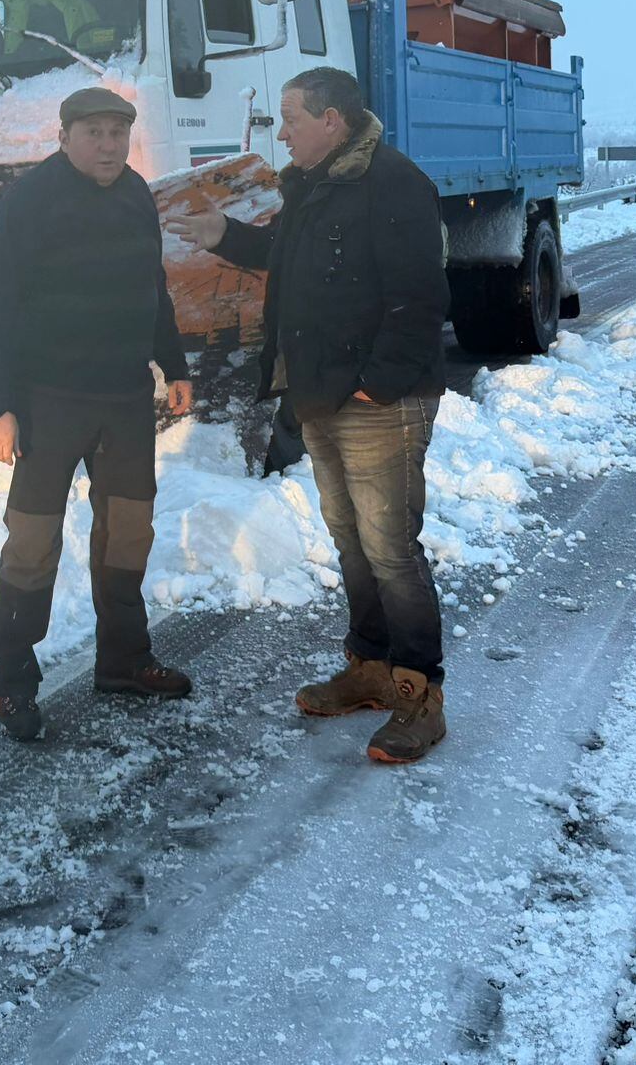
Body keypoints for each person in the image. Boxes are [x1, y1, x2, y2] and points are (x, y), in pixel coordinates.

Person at [166, 67, 451, 764]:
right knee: (352, 543)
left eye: (291, 118)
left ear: (333, 120)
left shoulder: (392, 183)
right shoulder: (315, 185)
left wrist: (376, 387)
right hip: (320, 395)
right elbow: (284, 258)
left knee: (390, 548)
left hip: (376, 401)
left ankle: (420, 697)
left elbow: (420, 298)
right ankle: (369, 670)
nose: (282, 132)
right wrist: (221, 234)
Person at [0, 85, 196, 742]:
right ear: (64, 134)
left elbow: (153, 288)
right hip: (49, 402)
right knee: (32, 544)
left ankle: (124, 661)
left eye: (117, 133)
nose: (108, 145)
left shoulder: (134, 194)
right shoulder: (30, 201)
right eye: (94, 133)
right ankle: (12, 682)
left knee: (128, 534)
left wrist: (174, 366)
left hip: (126, 400)